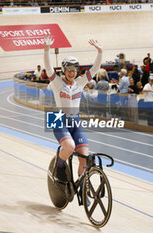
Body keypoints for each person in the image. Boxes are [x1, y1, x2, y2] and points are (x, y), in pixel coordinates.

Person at [43, 36, 102, 196]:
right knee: (69, 147)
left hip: (75, 121)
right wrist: (47, 50)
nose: (72, 73)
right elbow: (48, 68)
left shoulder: (80, 83)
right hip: (58, 119)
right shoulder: (57, 83)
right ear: (64, 71)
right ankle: (60, 166)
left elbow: (95, 69)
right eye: (69, 70)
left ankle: (82, 188)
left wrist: (100, 52)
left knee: (84, 156)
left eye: (74, 70)